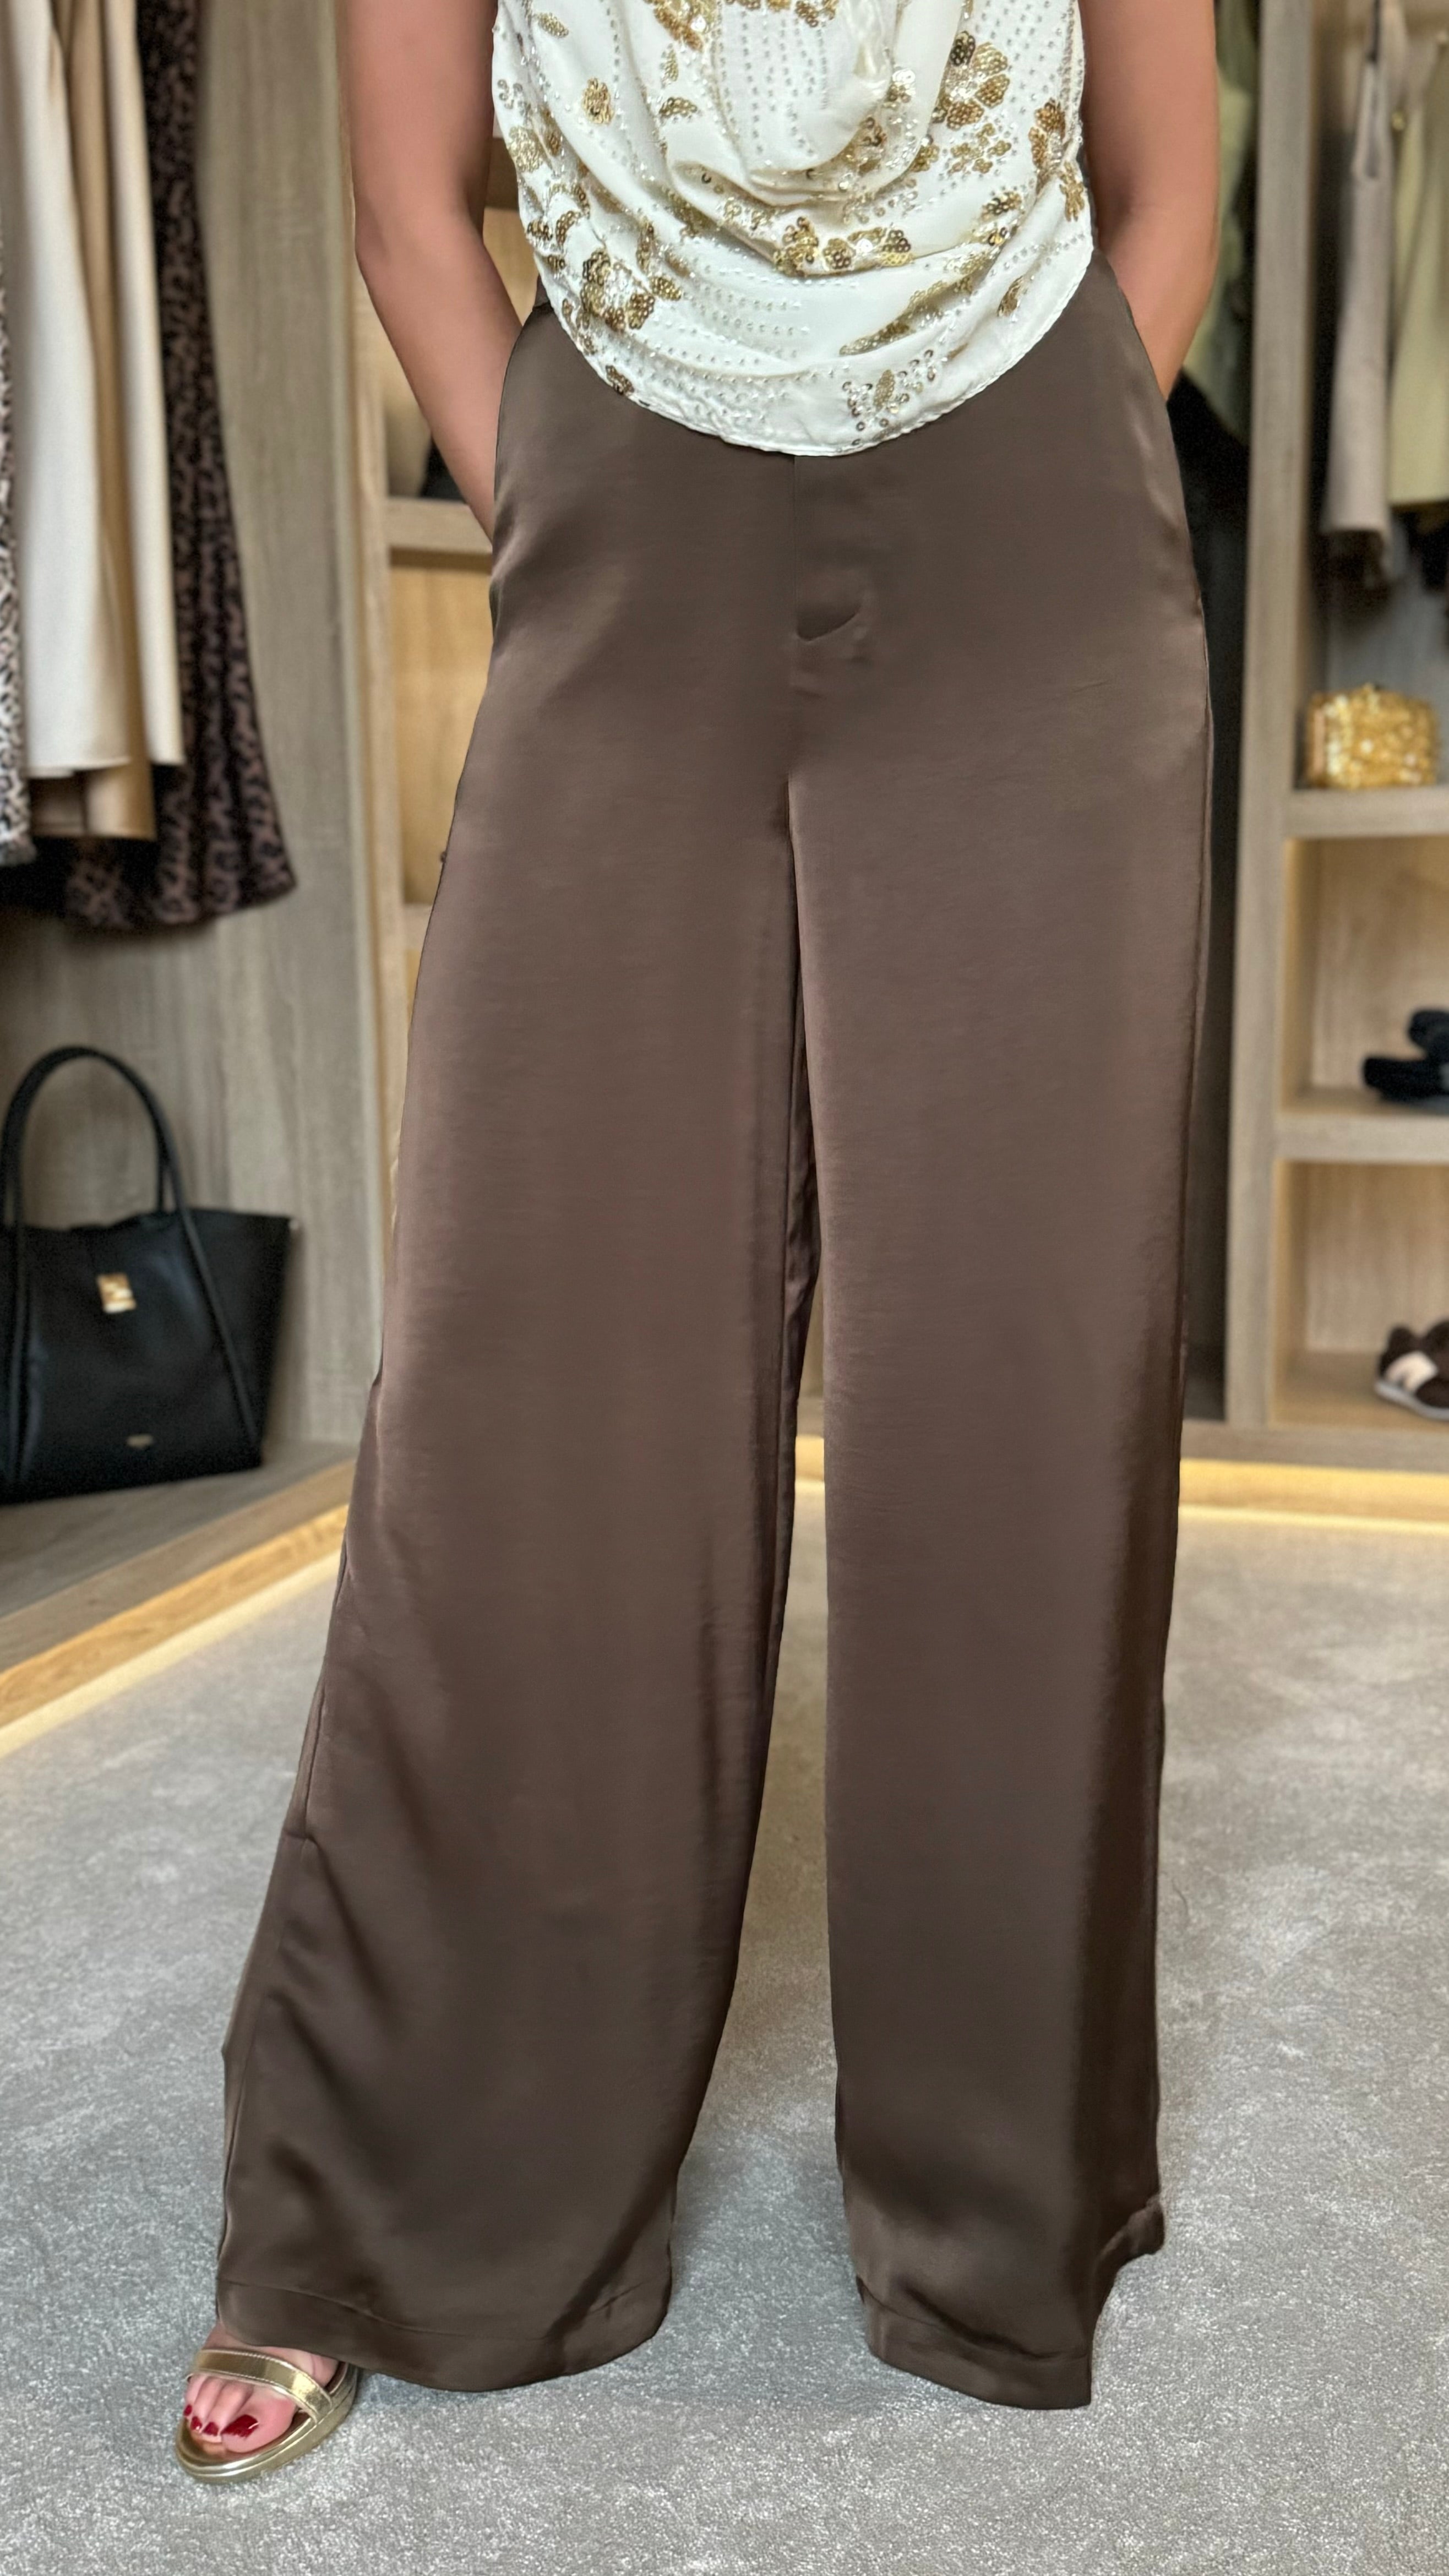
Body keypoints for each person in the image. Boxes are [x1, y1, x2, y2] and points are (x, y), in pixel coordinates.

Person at [177, 0, 1218, 2478]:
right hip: (627, 494)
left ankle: (1001, 2201)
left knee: (1019, 1378)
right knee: (532, 1390)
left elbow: (1165, 167)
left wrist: (1076, 435)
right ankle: (404, 2196)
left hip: (1029, 508)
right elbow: (411, 197)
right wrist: (554, 490)